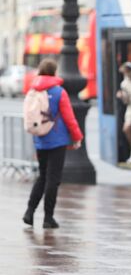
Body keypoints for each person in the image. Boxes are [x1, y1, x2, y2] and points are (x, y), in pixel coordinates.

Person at [22, 58, 83, 229]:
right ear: (54, 71)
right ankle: (48, 217)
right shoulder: (58, 92)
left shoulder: (33, 90)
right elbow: (69, 118)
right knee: (53, 179)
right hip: (57, 140)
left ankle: (29, 211)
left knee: (42, 176)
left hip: (40, 140)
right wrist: (77, 136)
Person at [116, 61, 131, 163]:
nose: (127, 73)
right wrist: (122, 96)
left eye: (128, 71)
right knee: (127, 129)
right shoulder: (124, 83)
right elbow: (127, 101)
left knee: (128, 128)